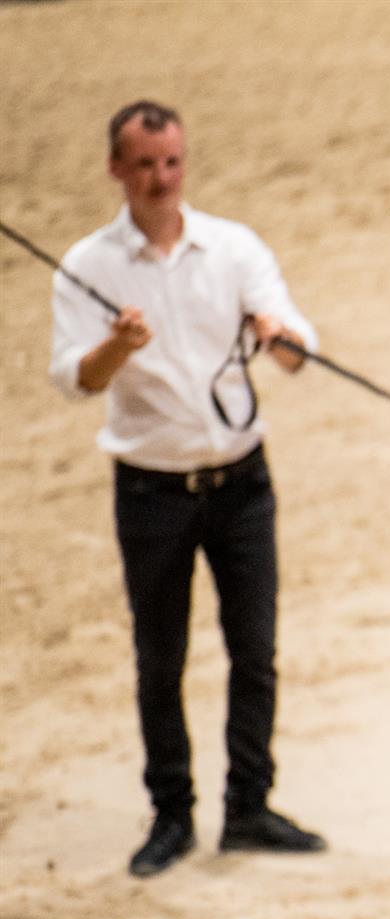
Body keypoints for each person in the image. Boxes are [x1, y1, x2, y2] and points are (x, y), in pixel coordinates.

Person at [48, 100, 327, 877]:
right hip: (152, 491)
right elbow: (75, 380)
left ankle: (248, 808)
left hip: (242, 483)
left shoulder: (233, 249)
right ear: (116, 169)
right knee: (160, 657)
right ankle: (172, 815)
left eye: (170, 162)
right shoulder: (87, 264)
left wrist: (280, 339)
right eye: (143, 164)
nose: (159, 178)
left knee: (255, 651)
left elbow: (302, 348)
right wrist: (116, 346)